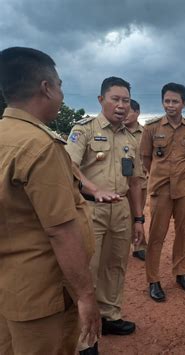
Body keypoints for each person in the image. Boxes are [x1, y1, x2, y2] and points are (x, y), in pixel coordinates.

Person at [0, 47, 100, 354]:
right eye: (60, 85)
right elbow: (60, 228)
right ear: (46, 87)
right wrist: (85, 294)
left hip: (9, 285)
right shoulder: (40, 146)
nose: (61, 93)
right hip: (42, 295)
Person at [66, 77, 145, 341]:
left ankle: (111, 317)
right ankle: (86, 338)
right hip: (91, 210)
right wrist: (94, 189)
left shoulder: (130, 138)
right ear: (101, 100)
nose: (121, 105)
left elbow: (134, 181)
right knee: (89, 270)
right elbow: (70, 166)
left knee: (116, 266)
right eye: (115, 99)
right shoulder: (84, 129)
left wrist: (138, 219)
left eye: (125, 100)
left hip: (121, 209)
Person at [140, 83, 185, 302]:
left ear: (183, 103)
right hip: (160, 190)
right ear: (162, 102)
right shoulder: (151, 128)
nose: (170, 105)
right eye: (167, 101)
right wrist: (159, 175)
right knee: (157, 234)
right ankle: (153, 279)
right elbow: (146, 158)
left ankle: (181, 272)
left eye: (175, 101)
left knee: (183, 232)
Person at [124, 99, 148, 261]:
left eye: (129, 111)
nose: (125, 115)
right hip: (119, 183)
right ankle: (120, 248)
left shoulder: (146, 133)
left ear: (137, 112)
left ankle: (139, 246)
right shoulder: (116, 132)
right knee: (121, 216)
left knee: (137, 214)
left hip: (141, 182)